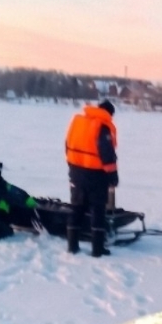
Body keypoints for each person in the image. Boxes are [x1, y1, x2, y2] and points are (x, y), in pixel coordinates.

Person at [64, 99, 119, 257]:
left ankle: (72, 246)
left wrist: (72, 166)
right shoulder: (102, 126)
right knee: (98, 210)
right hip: (96, 175)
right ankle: (97, 249)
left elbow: (67, 145)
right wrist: (113, 177)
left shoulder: (78, 122)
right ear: (109, 113)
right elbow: (107, 154)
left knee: (77, 208)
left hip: (75, 172)